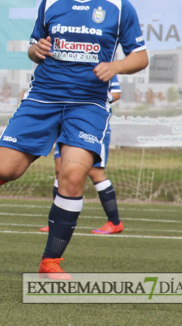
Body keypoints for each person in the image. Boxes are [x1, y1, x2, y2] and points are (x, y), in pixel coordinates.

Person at [0, 0, 148, 279]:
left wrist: (116, 66)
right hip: (43, 99)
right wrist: (37, 50)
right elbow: (33, 47)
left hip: (87, 106)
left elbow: (141, 56)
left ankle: (50, 262)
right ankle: (11, 165)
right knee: (3, 170)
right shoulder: (52, 2)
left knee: (72, 177)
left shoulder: (118, 6)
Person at [40, 77, 123, 235]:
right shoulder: (66, 67)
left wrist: (92, 100)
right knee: (60, 169)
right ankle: (55, 222)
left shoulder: (103, 63)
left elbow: (116, 93)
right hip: (66, 126)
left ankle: (114, 222)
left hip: (91, 126)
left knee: (95, 172)